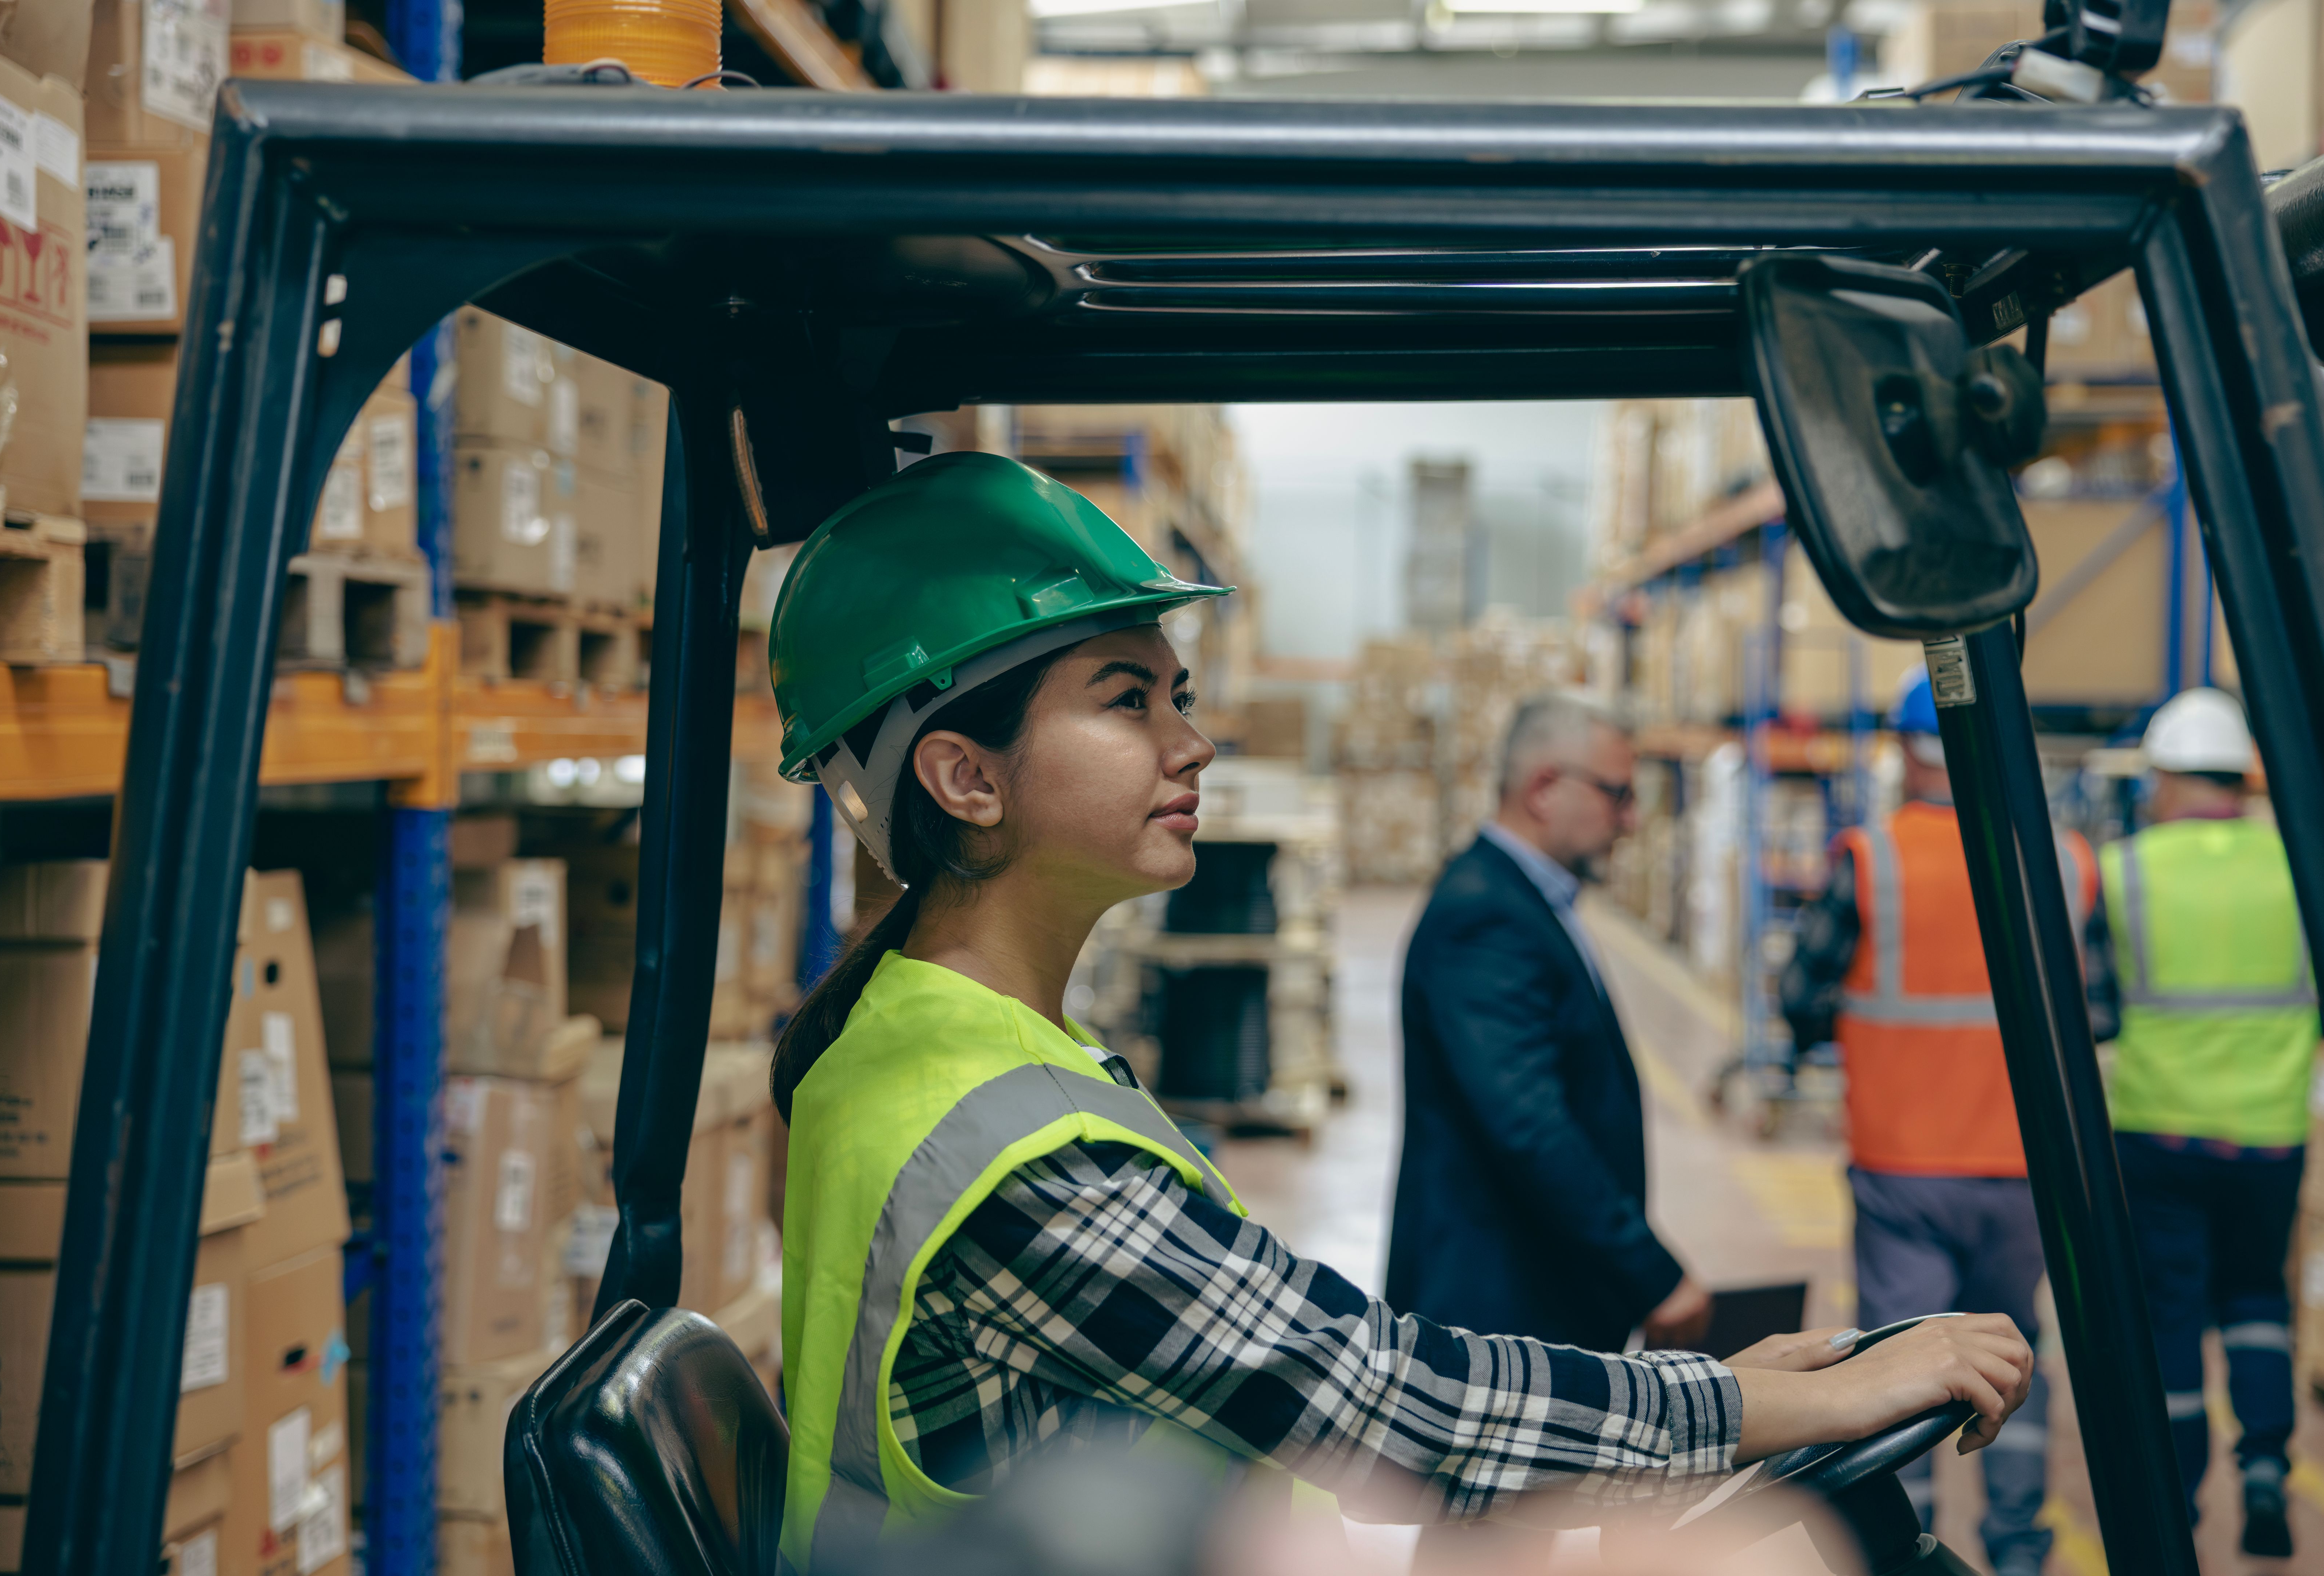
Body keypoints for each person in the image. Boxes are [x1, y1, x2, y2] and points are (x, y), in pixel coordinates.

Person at [766, 451, 2036, 1573]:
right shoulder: (1007, 1150)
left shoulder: (925, 1043)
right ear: (963, 777)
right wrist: (1760, 1408)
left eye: (1179, 695)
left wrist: (1721, 1392)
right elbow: (1384, 1406)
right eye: (1124, 699)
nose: (1190, 742)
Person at [1779, 665, 2097, 1576]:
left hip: (1902, 1164)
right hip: (2023, 1169)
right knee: (2012, 1350)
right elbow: (2101, 1012)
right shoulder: (2064, 860)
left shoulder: (1870, 858)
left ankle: (1907, 1548)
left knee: (1905, 1357)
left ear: (1905, 752)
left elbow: (1802, 995)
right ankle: (2017, 1542)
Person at [1385, 692, 1711, 1356]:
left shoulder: (1526, 899)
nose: (1632, 819)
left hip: (1532, 1298)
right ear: (1542, 788)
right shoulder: (1485, 918)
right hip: (1495, 1313)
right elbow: (1530, 1125)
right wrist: (1651, 1274)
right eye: (1617, 794)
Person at [2087, 687, 2315, 1558]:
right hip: (2266, 1134)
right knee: (2257, 1301)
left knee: (2169, 1318)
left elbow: (2095, 1007)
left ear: (2170, 779)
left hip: (2157, 1129)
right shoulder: (2297, 863)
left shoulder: (2125, 869)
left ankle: (2175, 1502)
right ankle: (2264, 1469)